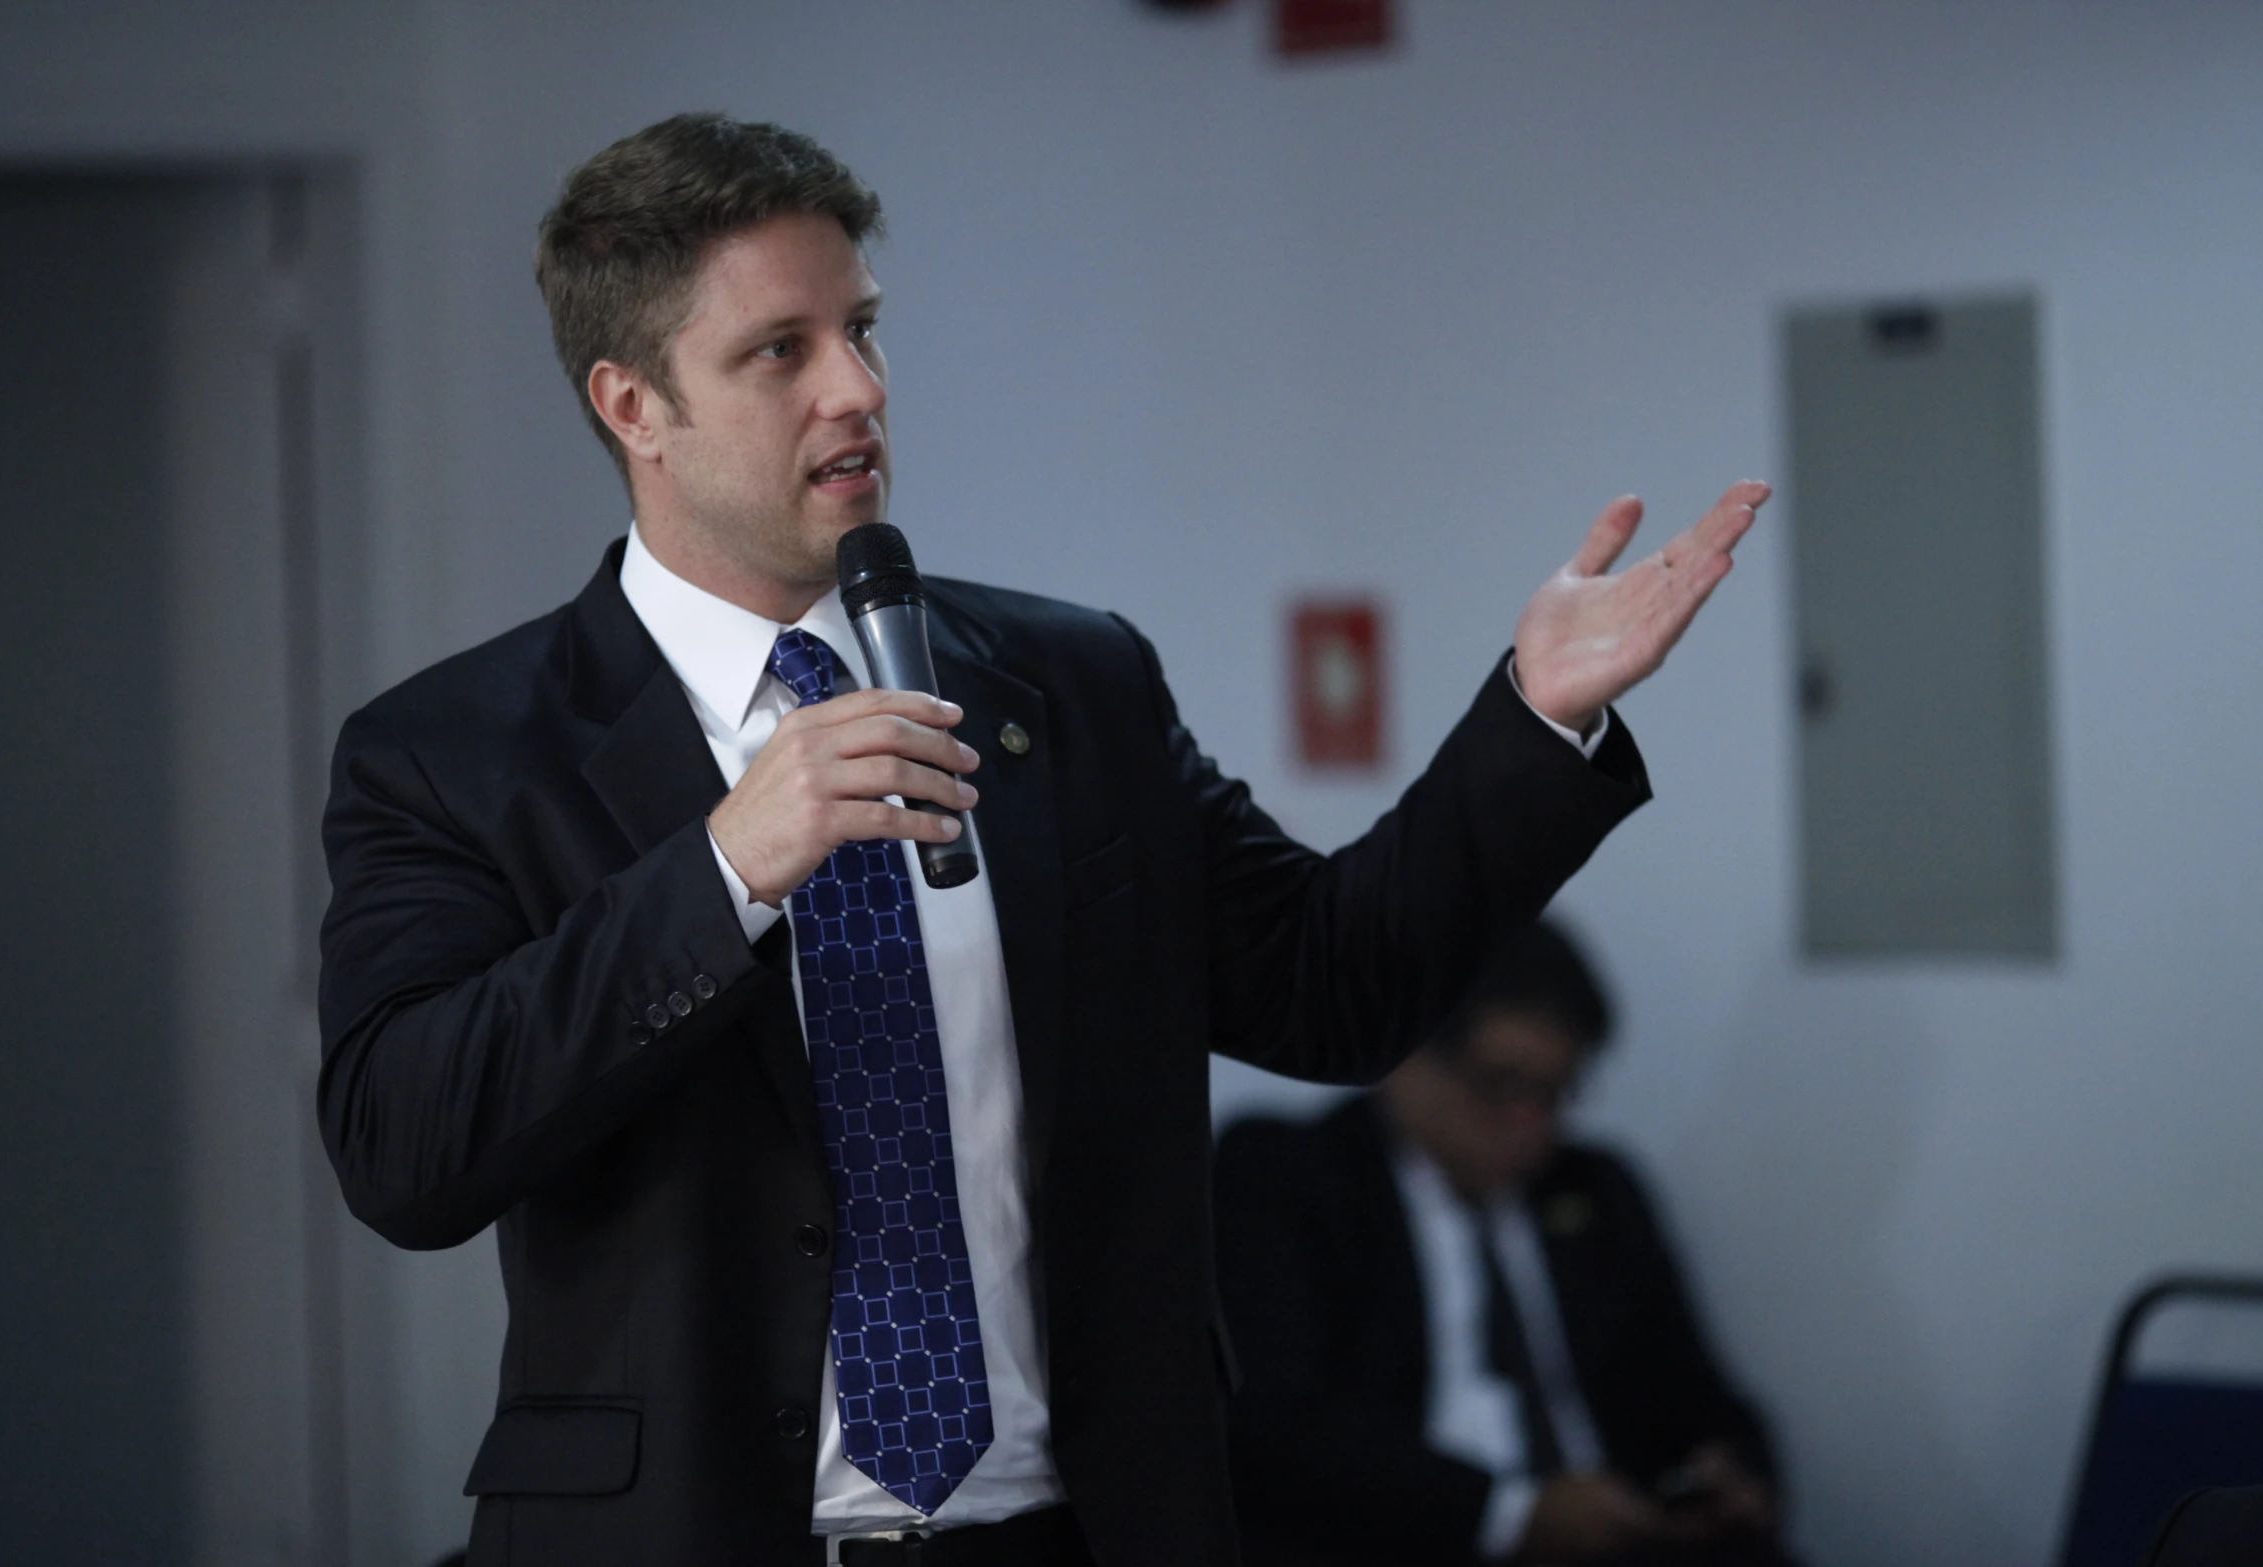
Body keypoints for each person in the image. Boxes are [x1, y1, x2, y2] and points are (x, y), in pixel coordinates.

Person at [315, 111, 1765, 1567]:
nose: (858, 390)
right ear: (633, 403)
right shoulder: (459, 750)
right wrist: (724, 867)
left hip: (1072, 1530)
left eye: (865, 331)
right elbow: (406, 1146)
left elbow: (1335, 983)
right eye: (782, 350)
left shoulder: (1067, 684)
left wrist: (1530, 718)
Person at [1214, 920, 1786, 1567]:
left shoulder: (1596, 1192)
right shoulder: (1291, 1176)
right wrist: (1509, 1515)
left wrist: (1723, 1474)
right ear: (1404, 1056)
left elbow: (1699, 1392)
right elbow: (1273, 1427)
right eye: (1502, 1087)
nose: (1532, 1125)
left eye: (1555, 1092)